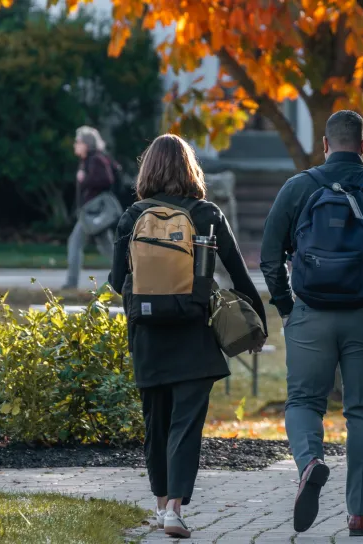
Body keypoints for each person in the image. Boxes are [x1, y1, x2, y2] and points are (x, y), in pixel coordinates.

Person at [260, 110, 363, 537]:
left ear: (325, 145)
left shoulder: (298, 188)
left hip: (310, 312)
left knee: (302, 402)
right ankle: (360, 515)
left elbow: (268, 255)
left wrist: (286, 307)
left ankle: (310, 461)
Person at [109, 134, 268, 539]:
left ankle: (161, 507)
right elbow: (237, 273)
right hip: (194, 334)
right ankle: (176, 509)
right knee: (185, 425)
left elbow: (115, 281)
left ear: (148, 171)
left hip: (147, 334)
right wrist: (257, 323)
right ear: (190, 170)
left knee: (155, 424)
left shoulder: (132, 217)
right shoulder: (208, 215)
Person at [63, 126, 117, 290]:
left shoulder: (96, 160)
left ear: (86, 144)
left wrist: (85, 179)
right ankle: (131, 277)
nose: (75, 145)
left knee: (74, 243)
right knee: (109, 249)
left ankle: (71, 283)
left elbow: (107, 180)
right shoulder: (87, 160)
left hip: (92, 213)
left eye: (78, 142)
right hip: (91, 213)